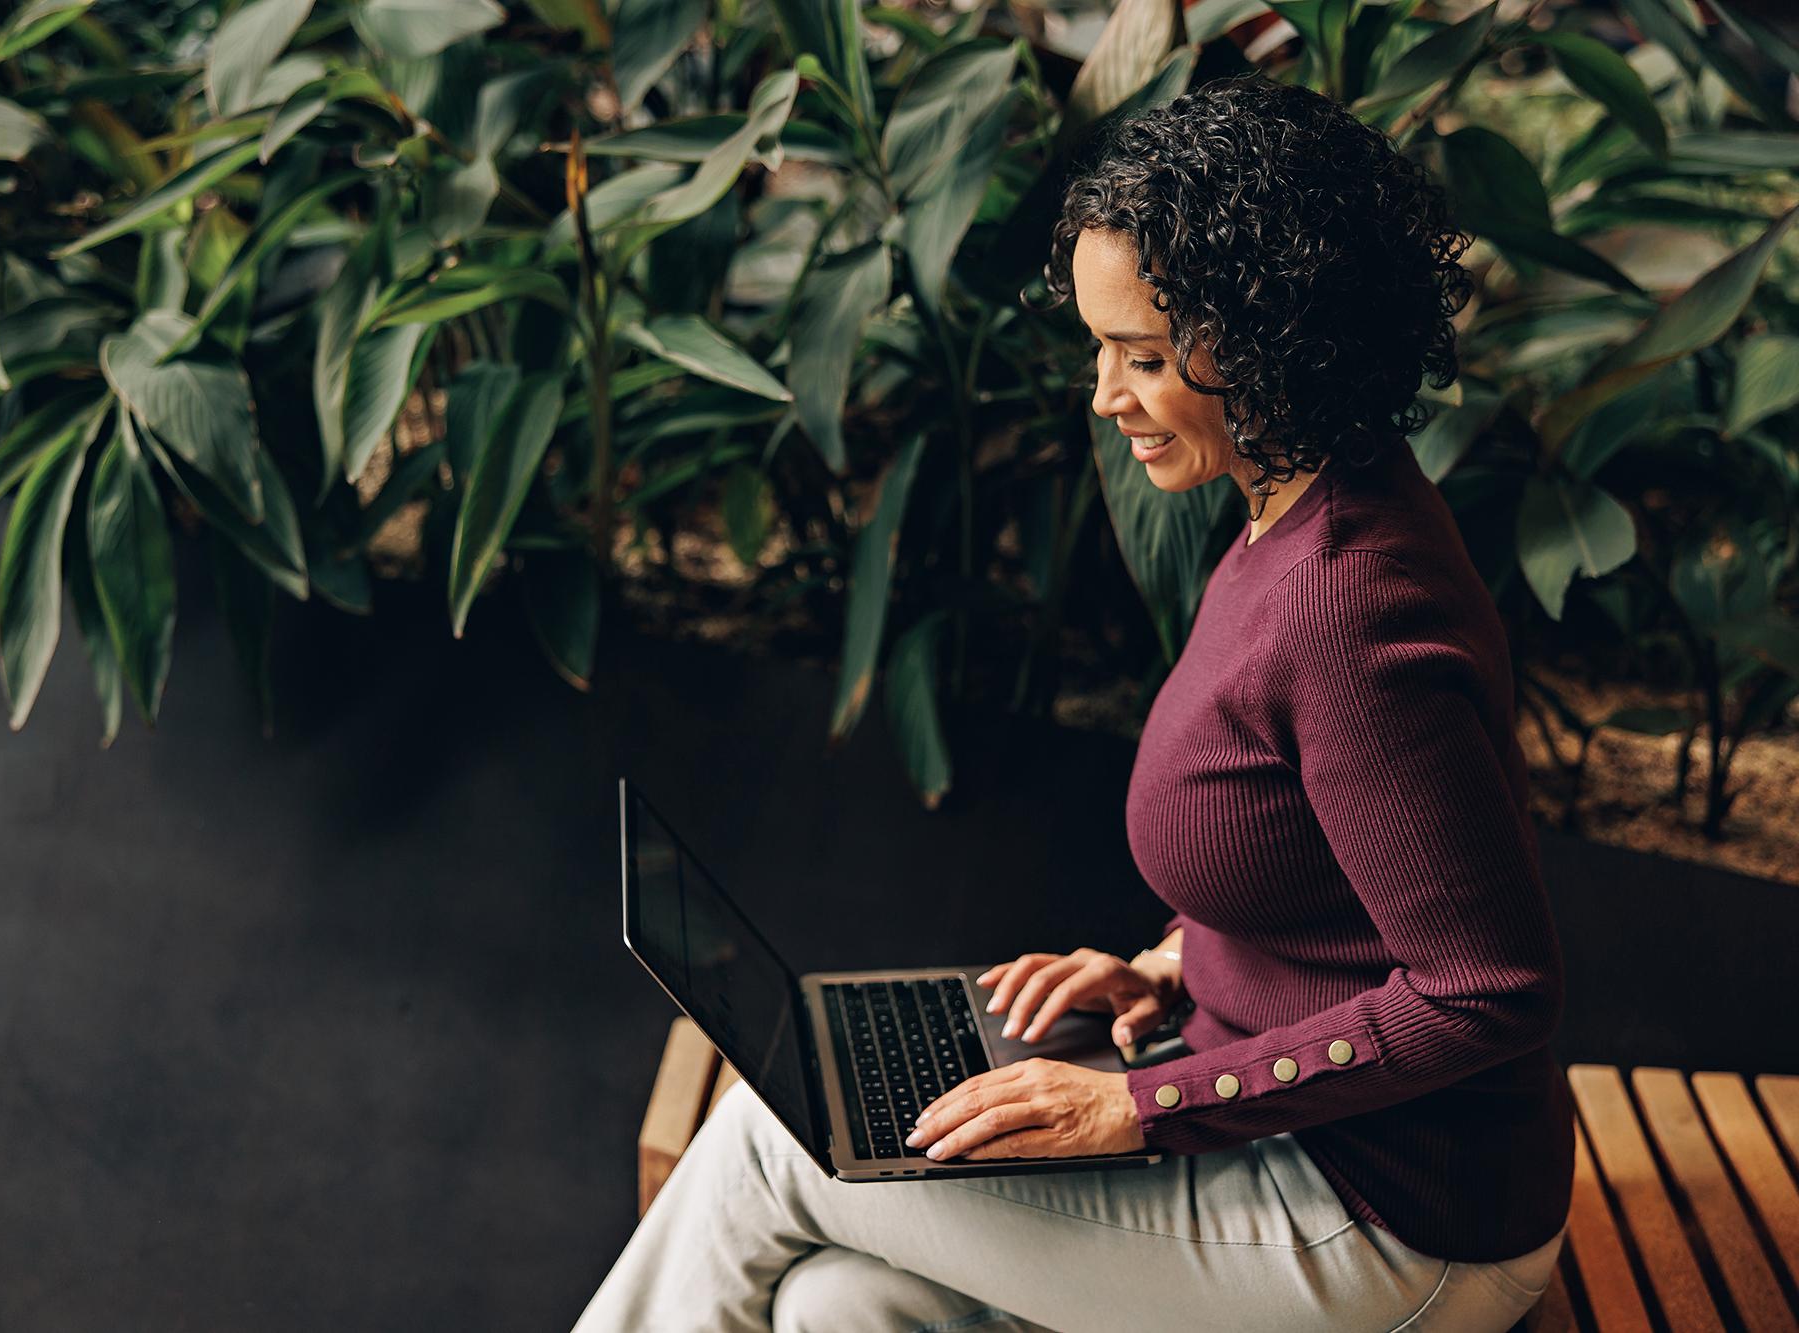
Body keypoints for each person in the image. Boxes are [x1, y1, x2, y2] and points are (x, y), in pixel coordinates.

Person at [573, 72, 1572, 1332]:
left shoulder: (1347, 604)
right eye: (1100, 347)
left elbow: (1487, 986)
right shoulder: (1296, 506)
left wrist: (1139, 1103)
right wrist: (1162, 967)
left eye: (1142, 356)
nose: (1103, 395)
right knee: (839, 1309)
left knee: (773, 1147)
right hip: (1271, 1131)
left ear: (1273, 337)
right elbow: (1316, 873)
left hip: (1392, 1225)